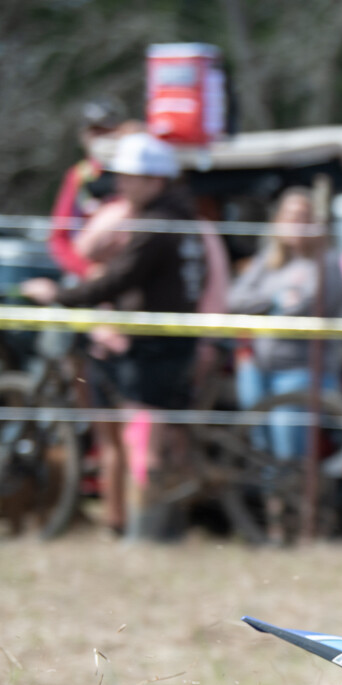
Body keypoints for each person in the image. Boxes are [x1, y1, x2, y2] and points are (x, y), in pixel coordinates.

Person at [22, 132, 205, 541]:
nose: (121, 185)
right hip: (170, 340)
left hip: (157, 345)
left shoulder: (158, 223)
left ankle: (144, 540)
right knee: (152, 436)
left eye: (131, 177)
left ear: (156, 180)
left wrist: (62, 295)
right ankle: (153, 530)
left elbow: (122, 277)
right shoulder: (182, 219)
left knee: (142, 439)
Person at [226, 187, 342, 460]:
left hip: (301, 369)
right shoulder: (268, 261)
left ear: (314, 223)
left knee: (288, 447)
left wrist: (269, 309)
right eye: (290, 215)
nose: (295, 223)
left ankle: (292, 502)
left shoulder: (326, 263)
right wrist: (275, 298)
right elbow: (235, 299)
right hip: (258, 366)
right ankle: (270, 501)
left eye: (303, 216)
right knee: (259, 446)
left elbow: (306, 308)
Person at [48, 99, 124, 283]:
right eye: (93, 131)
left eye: (105, 130)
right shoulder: (79, 175)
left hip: (129, 269)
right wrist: (88, 270)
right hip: (87, 275)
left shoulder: (137, 174)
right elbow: (59, 239)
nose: (99, 137)